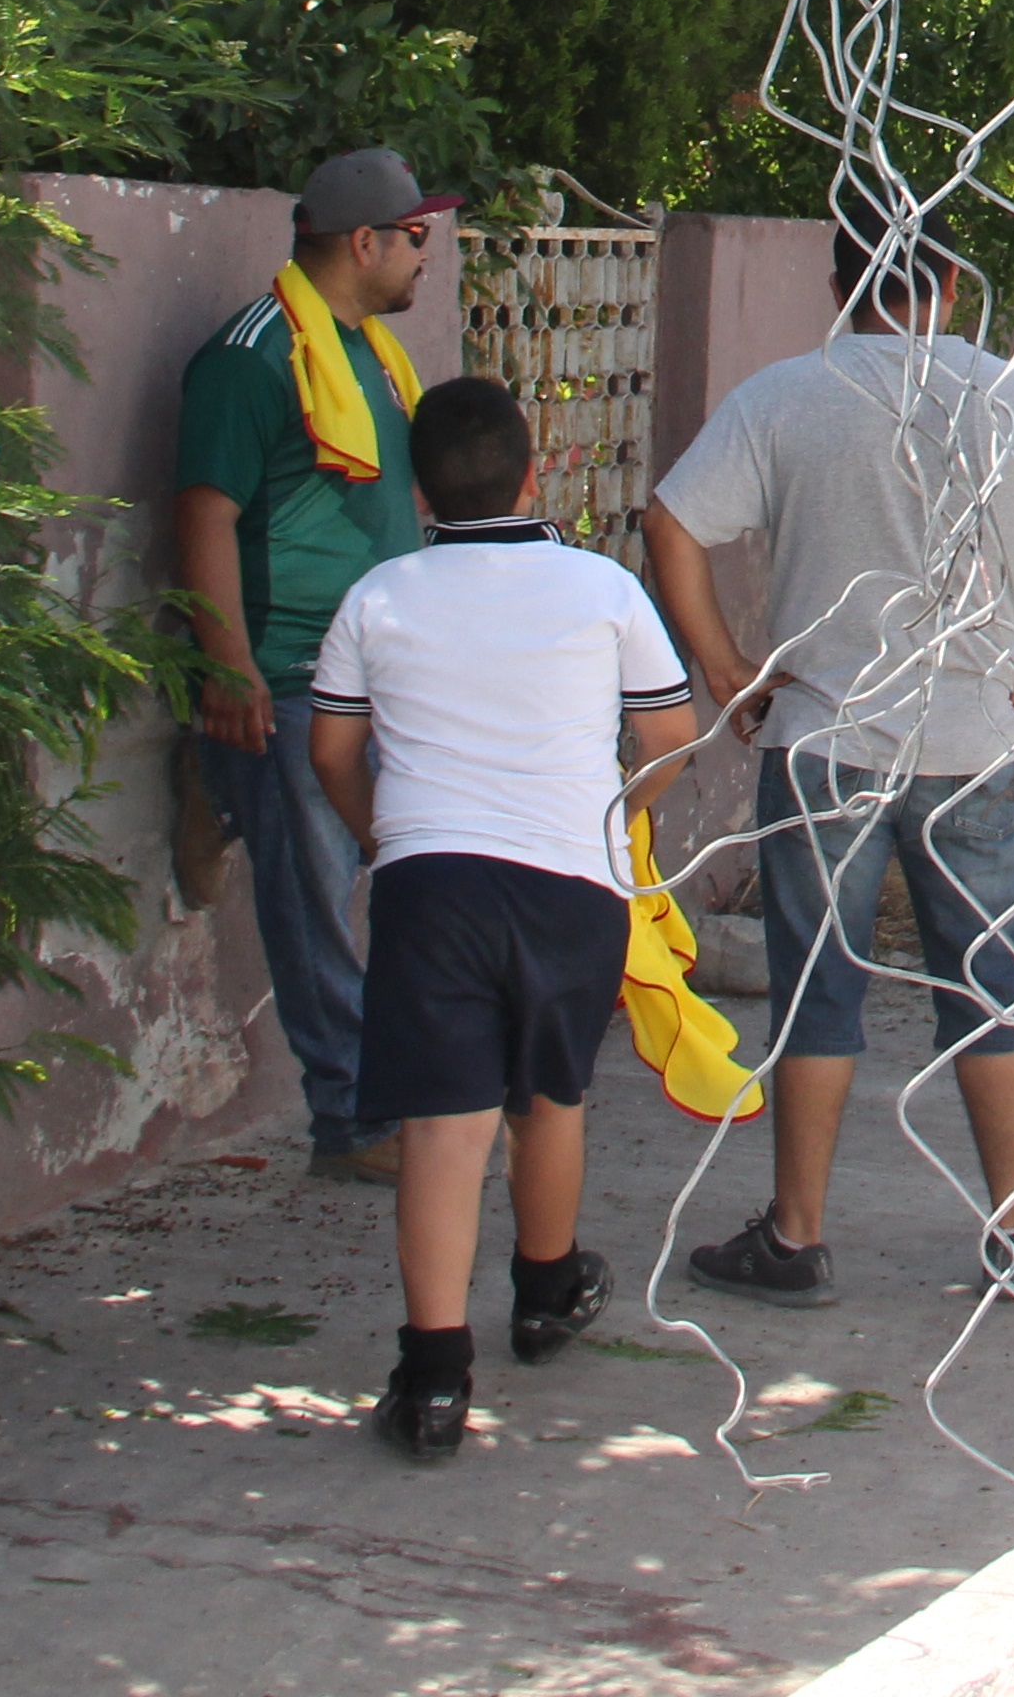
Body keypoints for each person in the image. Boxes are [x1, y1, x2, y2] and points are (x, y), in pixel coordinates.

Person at [641, 217, 1014, 1308]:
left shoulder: (789, 396)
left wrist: (726, 667)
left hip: (823, 740)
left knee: (817, 992)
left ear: (841, 285)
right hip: (971, 743)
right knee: (988, 987)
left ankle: (797, 1234)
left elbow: (671, 522)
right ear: (955, 285)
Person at [307, 377, 704, 1459]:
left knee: (444, 1127)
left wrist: (385, 832)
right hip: (567, 881)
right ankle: (546, 1290)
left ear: (417, 486)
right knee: (550, 1095)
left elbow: (333, 752)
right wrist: (614, 813)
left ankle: (433, 1380)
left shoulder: (378, 597)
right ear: (534, 472)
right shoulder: (602, 589)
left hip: (429, 884)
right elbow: (671, 730)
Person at [175, 147, 450, 1182]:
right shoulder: (253, 358)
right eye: (416, 235)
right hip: (290, 675)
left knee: (397, 884)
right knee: (317, 903)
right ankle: (349, 1118)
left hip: (379, 674)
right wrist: (229, 666)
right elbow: (205, 512)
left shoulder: (369, 354)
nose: (428, 253)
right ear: (364, 242)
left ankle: (218, 789)